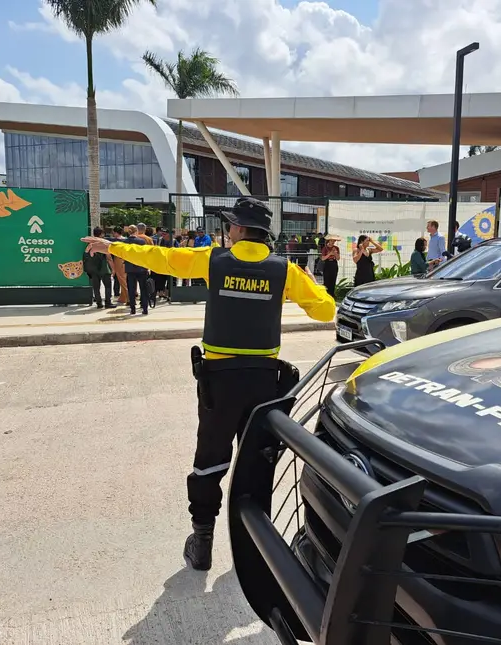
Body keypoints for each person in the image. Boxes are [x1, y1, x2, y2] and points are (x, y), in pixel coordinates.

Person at [82, 197, 335, 571]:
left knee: (209, 462)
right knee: (258, 461)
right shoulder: (285, 270)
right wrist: (311, 286)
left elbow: (160, 259)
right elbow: (326, 311)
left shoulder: (213, 260)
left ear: (235, 229)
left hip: (219, 384)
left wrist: (112, 246)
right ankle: (255, 547)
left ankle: (202, 543)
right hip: (266, 383)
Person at [84, 227, 114, 309]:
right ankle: (108, 303)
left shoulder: (89, 244)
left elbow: (86, 255)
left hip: (93, 269)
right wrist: (113, 269)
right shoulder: (103, 244)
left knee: (96, 287)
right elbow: (109, 258)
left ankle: (99, 303)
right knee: (108, 286)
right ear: (101, 234)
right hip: (104, 268)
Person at [123, 229, 151, 316]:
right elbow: (145, 254)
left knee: (131, 289)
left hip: (130, 269)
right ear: (136, 231)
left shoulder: (125, 242)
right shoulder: (141, 241)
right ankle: (145, 308)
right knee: (143, 289)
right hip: (141, 268)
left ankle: (132, 309)